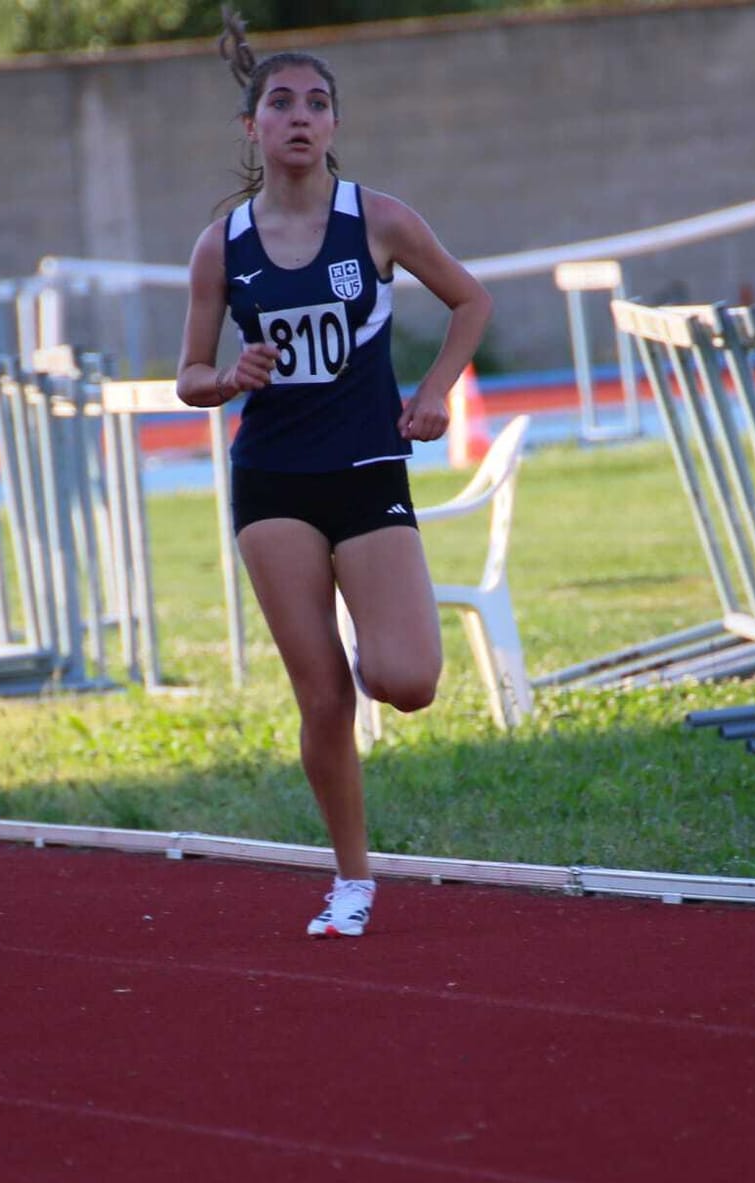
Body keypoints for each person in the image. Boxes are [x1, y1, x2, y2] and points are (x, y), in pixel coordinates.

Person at [176, 12, 492, 939]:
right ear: (253, 128)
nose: (301, 118)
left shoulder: (378, 221)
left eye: (318, 104)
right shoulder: (221, 246)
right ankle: (352, 881)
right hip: (273, 480)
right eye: (282, 104)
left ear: (335, 125)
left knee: (408, 679)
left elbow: (471, 300)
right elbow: (188, 375)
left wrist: (435, 390)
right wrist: (228, 377)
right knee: (323, 696)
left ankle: (374, 633)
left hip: (365, 468)